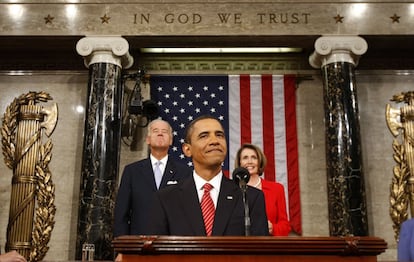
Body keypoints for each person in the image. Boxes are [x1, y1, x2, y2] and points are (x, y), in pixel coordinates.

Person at [145, 115, 268, 236]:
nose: (215, 141)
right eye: (204, 136)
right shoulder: (166, 199)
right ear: (187, 149)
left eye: (219, 135)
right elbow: (156, 253)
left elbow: (261, 253)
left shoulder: (249, 197)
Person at [113, 119, 192, 237]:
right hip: (138, 243)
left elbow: (188, 212)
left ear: (171, 140)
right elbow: (121, 213)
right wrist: (122, 247)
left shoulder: (185, 172)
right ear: (148, 139)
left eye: (164, 131)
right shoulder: (132, 171)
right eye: (155, 131)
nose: (160, 133)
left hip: (173, 243)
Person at [235, 143, 291, 236]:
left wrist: (272, 228)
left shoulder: (276, 189)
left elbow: (285, 226)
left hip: (267, 246)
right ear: (239, 162)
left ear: (259, 161)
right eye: (245, 158)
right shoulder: (232, 190)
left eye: (254, 157)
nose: (250, 161)